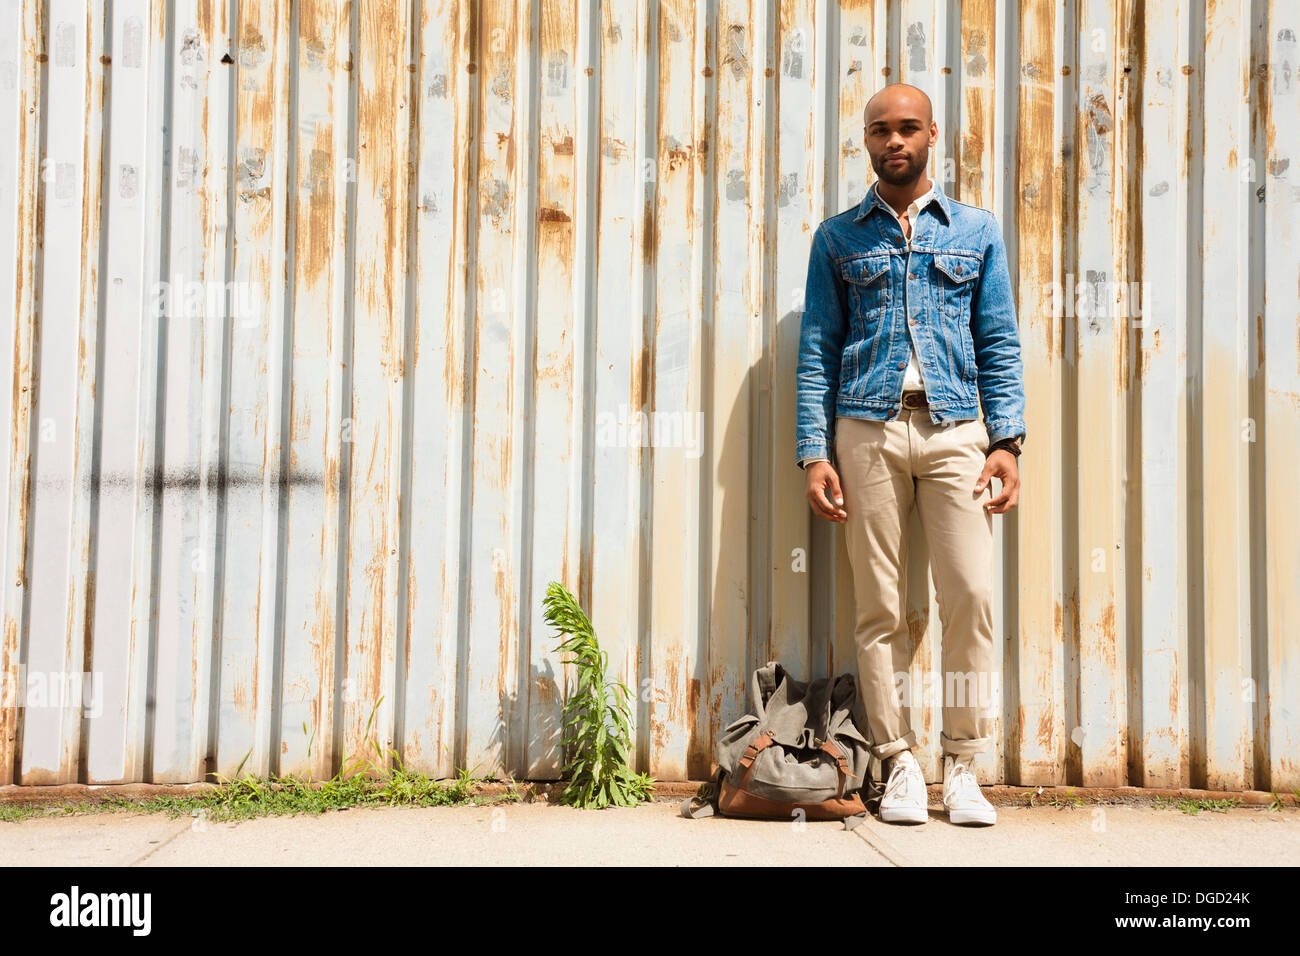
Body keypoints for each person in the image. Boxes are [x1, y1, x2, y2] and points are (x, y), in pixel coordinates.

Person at [794, 83, 1026, 827]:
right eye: (879, 131)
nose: (894, 141)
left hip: (957, 428)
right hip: (865, 430)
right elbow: (816, 352)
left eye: (907, 129)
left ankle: (961, 764)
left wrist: (1007, 442)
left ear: (932, 135)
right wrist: (813, 453)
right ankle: (897, 763)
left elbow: (999, 342)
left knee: (971, 598)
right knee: (881, 608)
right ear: (865, 142)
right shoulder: (838, 238)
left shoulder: (976, 231)